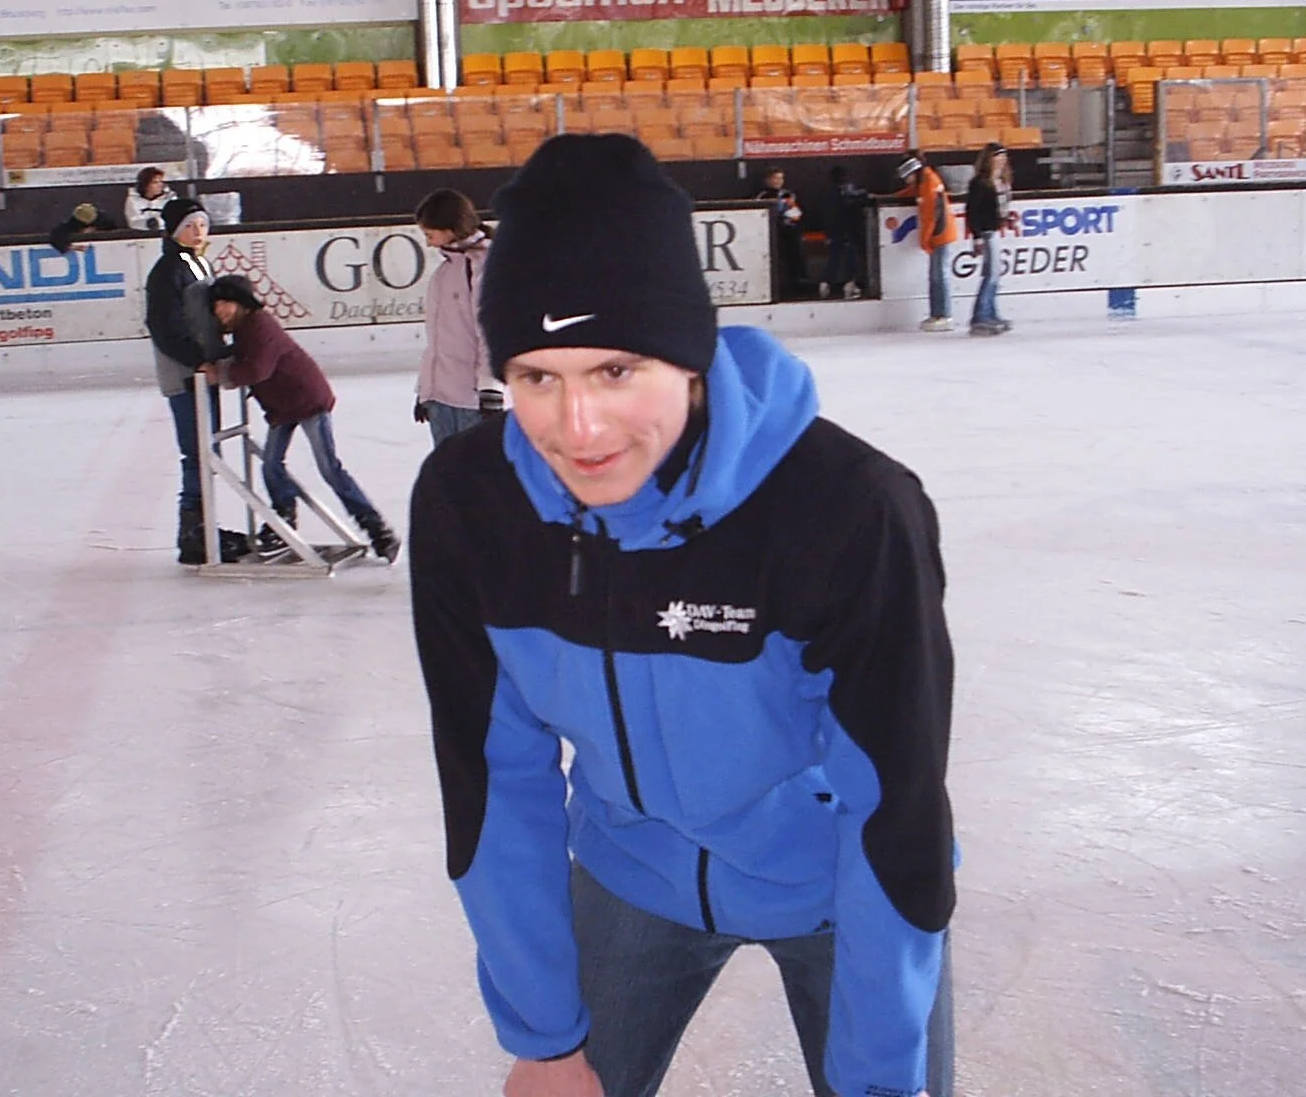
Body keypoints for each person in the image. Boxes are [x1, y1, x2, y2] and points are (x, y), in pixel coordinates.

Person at [409, 134, 956, 1097]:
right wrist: (544, 1039)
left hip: (837, 880)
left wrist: (880, 1079)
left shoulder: (846, 509)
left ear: (690, 357)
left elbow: (894, 806)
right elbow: (495, 778)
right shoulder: (473, 506)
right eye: (538, 377)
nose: (578, 431)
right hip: (629, 872)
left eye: (616, 371)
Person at [205, 274, 400, 563]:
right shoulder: (246, 328)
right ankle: (283, 520)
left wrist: (220, 374)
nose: (220, 311)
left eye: (225, 304)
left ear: (241, 303)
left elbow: (258, 369)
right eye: (216, 306)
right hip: (284, 405)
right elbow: (247, 360)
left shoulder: (259, 325)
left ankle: (377, 528)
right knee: (271, 465)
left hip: (307, 401)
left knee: (329, 468)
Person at [144, 197, 251, 565]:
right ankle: (192, 534)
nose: (199, 231)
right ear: (175, 231)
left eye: (202, 224)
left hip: (204, 373)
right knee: (197, 453)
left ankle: (204, 527)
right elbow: (164, 326)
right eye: (190, 226)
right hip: (186, 374)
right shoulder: (167, 271)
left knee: (209, 452)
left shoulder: (198, 262)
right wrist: (197, 359)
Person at [413, 188, 502, 447]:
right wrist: (425, 390)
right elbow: (437, 339)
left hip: (473, 400)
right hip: (441, 400)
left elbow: (490, 331)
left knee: (479, 480)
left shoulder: (483, 266)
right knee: (446, 481)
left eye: (430, 234)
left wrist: (491, 387)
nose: (428, 242)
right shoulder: (444, 272)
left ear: (450, 228)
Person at [894, 152, 960, 331]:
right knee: (935, 276)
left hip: (941, 234)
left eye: (907, 176)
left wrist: (925, 240)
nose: (906, 180)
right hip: (937, 234)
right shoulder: (923, 182)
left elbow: (932, 215)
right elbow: (912, 192)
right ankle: (936, 314)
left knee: (940, 275)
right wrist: (894, 196)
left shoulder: (930, 183)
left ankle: (944, 315)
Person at [963, 143, 1013, 337]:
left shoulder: (1000, 181)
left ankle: (990, 313)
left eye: (1003, 156)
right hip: (986, 231)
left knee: (994, 275)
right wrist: (976, 237)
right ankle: (981, 316)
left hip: (994, 230)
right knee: (991, 275)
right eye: (997, 156)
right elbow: (972, 211)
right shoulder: (979, 183)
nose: (1001, 160)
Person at [820, 165, 868, 299]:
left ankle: (825, 283)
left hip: (834, 230)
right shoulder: (848, 192)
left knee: (834, 258)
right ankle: (849, 285)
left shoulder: (827, 193)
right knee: (850, 258)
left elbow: (826, 215)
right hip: (848, 230)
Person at [756, 166, 807, 292]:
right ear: (767, 180)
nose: (778, 181)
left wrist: (789, 215)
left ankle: (798, 280)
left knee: (795, 246)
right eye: (775, 178)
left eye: (781, 178)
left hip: (788, 231)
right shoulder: (762, 195)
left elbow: (796, 213)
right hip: (770, 232)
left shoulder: (787, 194)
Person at [48, 201, 121, 255]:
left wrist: (96, 229)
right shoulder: (73, 223)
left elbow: (112, 227)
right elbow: (55, 235)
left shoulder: (102, 218)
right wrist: (70, 247)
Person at [125, 166, 177, 232]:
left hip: (166, 234)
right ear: (145, 185)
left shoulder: (171, 198)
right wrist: (149, 224)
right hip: (141, 236)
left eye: (161, 181)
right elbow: (133, 221)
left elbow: (174, 218)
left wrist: (158, 223)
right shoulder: (132, 199)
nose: (160, 185)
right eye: (155, 182)